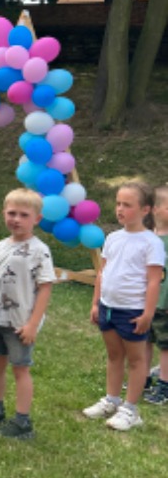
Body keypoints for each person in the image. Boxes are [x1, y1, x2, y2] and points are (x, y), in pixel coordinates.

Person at [83, 182, 165, 431]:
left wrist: (147, 313)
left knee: (137, 361)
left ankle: (130, 410)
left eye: (127, 205)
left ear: (145, 209)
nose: (120, 209)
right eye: (118, 203)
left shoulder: (151, 242)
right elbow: (102, 272)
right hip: (108, 307)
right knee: (114, 355)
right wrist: (96, 303)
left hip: (132, 310)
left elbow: (154, 281)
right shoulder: (113, 238)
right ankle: (112, 400)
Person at [0, 188, 56, 438]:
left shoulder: (39, 250)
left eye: (24, 215)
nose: (16, 219)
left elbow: (45, 288)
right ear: (4, 213)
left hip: (20, 323)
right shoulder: (0, 246)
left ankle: (23, 421)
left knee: (20, 369)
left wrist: (33, 324)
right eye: (12, 213)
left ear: (37, 219)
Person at [145, 185, 168, 406]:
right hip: (145, 303)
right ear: (156, 209)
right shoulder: (147, 238)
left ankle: (164, 385)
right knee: (144, 341)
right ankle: (142, 378)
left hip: (165, 304)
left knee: (166, 345)